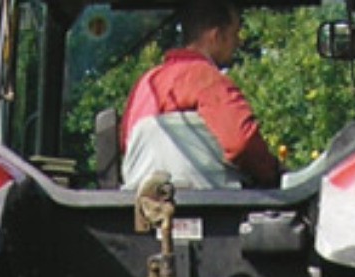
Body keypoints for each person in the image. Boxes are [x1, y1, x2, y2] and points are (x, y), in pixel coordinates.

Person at [120, 0, 280, 189]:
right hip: (212, 208)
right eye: (234, 34)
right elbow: (241, 144)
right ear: (216, 35)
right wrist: (273, 173)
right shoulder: (208, 80)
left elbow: (127, 145)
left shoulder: (145, 83)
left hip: (143, 209)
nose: (238, 42)